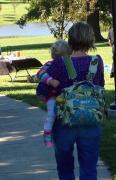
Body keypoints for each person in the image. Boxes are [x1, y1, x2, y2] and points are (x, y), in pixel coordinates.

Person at [38, 22, 104, 179]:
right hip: (91, 121)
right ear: (90, 40)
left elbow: (41, 91)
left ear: (70, 40)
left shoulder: (60, 63)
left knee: (65, 167)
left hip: (64, 122)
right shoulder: (97, 61)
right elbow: (100, 86)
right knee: (89, 168)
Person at [36, 40, 71, 147]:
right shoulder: (49, 65)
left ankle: (66, 134)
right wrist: (50, 80)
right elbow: (39, 74)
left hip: (64, 94)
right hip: (51, 95)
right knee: (52, 114)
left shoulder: (69, 64)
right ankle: (47, 134)